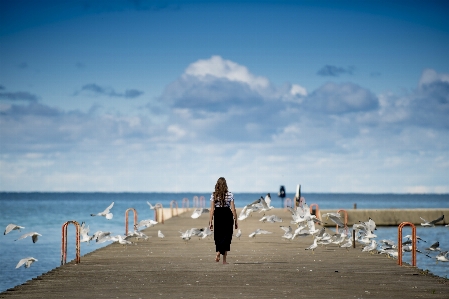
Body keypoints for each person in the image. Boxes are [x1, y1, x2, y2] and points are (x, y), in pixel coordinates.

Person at [208, 177, 238, 264]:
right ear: (225, 185)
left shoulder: (214, 195)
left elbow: (212, 210)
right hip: (227, 215)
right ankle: (224, 260)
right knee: (227, 237)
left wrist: (210, 222)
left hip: (218, 215)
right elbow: (233, 209)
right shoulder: (230, 194)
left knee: (219, 236)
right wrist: (236, 220)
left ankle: (218, 252)